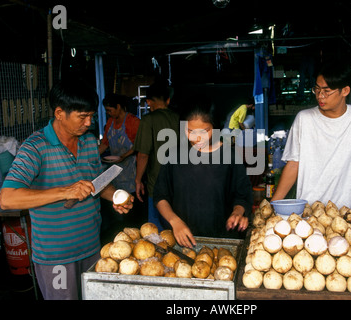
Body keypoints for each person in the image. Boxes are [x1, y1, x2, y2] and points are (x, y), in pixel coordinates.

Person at [0, 79, 133, 300]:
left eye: (91, 115)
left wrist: (116, 198)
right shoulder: (35, 148)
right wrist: (65, 191)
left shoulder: (89, 142)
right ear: (59, 113)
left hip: (92, 250)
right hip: (57, 259)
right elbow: (7, 199)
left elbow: (96, 184)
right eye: (82, 117)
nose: (89, 122)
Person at [271, 61, 351, 221]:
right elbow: (293, 165)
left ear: (345, 90)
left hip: (347, 214)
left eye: (326, 91)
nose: (320, 96)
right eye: (317, 89)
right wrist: (272, 207)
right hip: (309, 213)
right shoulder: (304, 119)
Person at [153, 97, 253, 248]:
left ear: (215, 126)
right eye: (190, 131)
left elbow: (242, 195)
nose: (197, 138)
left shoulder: (230, 156)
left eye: (205, 131)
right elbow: (161, 195)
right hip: (183, 242)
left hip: (222, 242)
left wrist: (238, 212)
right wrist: (174, 221)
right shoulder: (173, 155)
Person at [133, 82, 179, 231]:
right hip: (179, 181)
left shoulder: (148, 120)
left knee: (156, 231)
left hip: (157, 183)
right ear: (168, 100)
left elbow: (143, 155)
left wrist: (138, 180)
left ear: (148, 102)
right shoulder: (179, 118)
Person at [99, 93, 140, 194]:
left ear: (118, 106)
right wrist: (92, 156)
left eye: (109, 110)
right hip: (114, 169)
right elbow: (105, 144)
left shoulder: (133, 122)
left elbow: (139, 145)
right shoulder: (110, 122)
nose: (108, 113)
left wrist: (123, 156)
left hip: (131, 169)